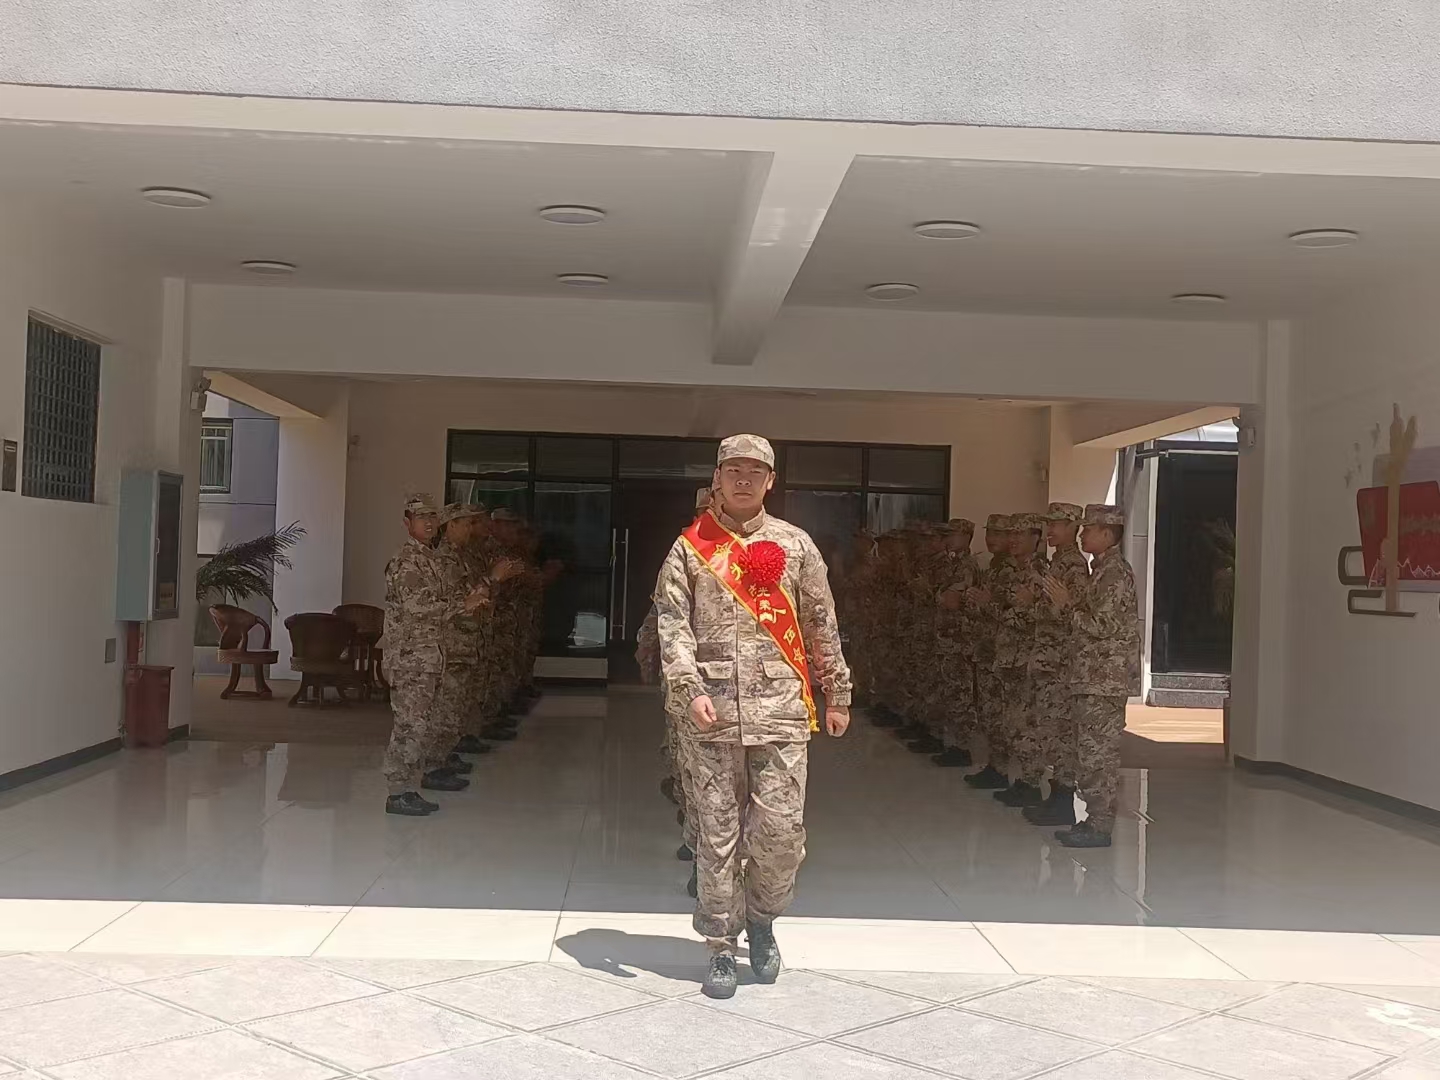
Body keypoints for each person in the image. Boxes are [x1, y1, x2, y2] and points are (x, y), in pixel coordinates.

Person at [654, 434, 852, 1000]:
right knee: (716, 836)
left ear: (771, 481)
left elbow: (820, 622)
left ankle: (762, 921)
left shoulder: (795, 544)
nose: (743, 480)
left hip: (781, 712)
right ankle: (720, 943)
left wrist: (837, 691)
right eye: (733, 470)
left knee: (780, 834)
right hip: (710, 714)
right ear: (717, 478)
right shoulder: (690, 548)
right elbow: (672, 623)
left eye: (755, 472)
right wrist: (688, 688)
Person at [380, 493, 491, 817]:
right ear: (407, 523)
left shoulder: (429, 558)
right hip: (411, 658)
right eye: (420, 517)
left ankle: (408, 786)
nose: (428, 523)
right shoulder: (406, 561)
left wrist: (469, 599)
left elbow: (443, 599)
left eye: (432, 517)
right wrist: (464, 604)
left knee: (423, 724)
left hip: (431, 655)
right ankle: (397, 792)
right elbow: (419, 608)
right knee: (410, 726)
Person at [1042, 503, 1140, 848]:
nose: (1082, 535)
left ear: (1107, 534)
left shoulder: (1114, 574)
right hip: (1091, 677)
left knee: (1098, 756)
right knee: (1088, 753)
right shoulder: (1100, 570)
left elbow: (1102, 625)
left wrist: (1067, 604)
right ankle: (1093, 821)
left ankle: (1099, 827)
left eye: (1088, 530)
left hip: (1104, 680)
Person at [1024, 502, 1091, 827]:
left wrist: (1038, 604)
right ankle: (1055, 796)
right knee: (1050, 731)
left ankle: (1063, 800)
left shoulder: (1074, 566)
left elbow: (1073, 615)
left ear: (1073, 527)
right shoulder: (1057, 563)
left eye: (1057, 524)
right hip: (1048, 661)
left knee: (1061, 733)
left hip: (1061, 664)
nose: (1049, 530)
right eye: (1048, 524)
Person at [965, 515, 1015, 789]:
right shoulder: (992, 569)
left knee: (1001, 714)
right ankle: (995, 766)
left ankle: (1004, 769)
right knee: (988, 712)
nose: (991, 538)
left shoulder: (1011, 570)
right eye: (989, 533)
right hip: (986, 649)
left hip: (1003, 653)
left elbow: (1011, 613)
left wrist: (987, 603)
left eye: (999, 533)